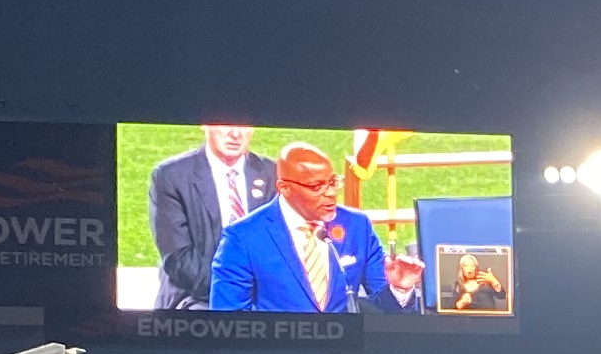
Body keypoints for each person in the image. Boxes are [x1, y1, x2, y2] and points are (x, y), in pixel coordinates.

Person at [204, 140, 423, 314]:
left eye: (332, 182)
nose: (329, 193)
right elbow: (228, 320)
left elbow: (384, 311)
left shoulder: (357, 227)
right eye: (316, 186)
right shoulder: (243, 238)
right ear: (285, 188)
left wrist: (400, 289)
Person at [148, 123, 278, 307]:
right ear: (205, 125)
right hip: (194, 297)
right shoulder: (171, 176)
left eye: (243, 125)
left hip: (258, 299)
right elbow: (179, 259)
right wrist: (232, 293)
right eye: (225, 124)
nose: (235, 134)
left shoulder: (273, 173)